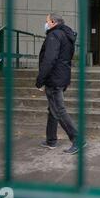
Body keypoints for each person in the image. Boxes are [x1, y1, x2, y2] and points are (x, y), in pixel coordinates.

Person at [36, 13, 85, 154]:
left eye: (46, 21)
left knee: (58, 110)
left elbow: (49, 59)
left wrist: (40, 80)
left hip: (54, 79)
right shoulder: (66, 35)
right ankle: (51, 140)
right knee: (53, 109)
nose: (45, 24)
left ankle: (78, 139)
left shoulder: (54, 35)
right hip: (62, 77)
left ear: (52, 22)